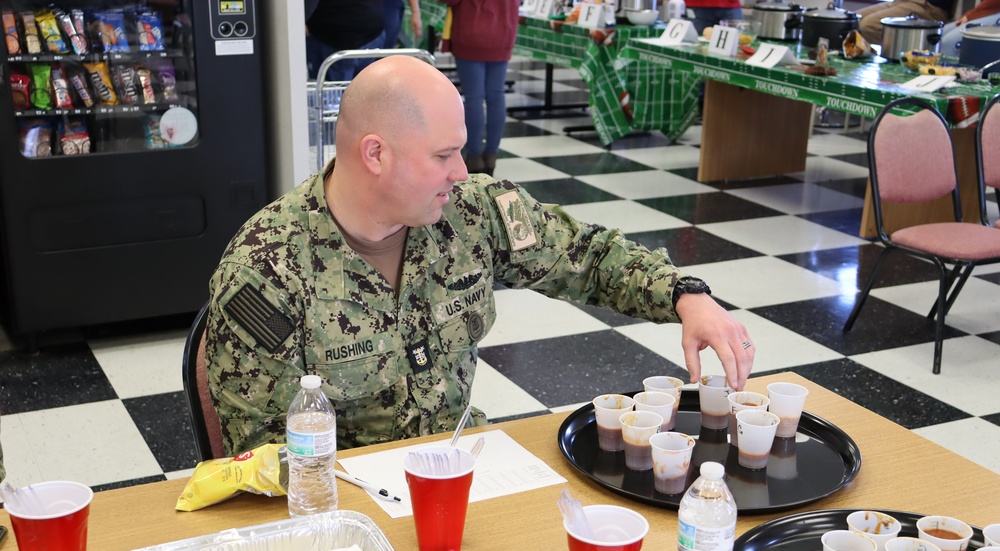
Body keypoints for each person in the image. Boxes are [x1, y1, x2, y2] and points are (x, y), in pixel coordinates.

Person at [204, 56, 755, 456]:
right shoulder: (267, 270)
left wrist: (686, 296)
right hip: (349, 514)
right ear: (375, 154)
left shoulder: (474, 211)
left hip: (464, 466)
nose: (462, 173)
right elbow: (261, 459)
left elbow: (585, 255)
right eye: (443, 154)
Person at [440, 0, 519, 176]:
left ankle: (474, 156)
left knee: (474, 98)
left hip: (471, 29)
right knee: (496, 96)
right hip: (504, 29)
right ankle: (491, 154)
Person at [305, 0, 385, 82]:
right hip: (371, 25)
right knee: (366, 86)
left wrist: (300, 21)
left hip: (336, 36)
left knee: (334, 90)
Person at [857, 0, 956, 45]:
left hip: (928, 6)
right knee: (849, 20)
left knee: (867, 26)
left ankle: (901, 54)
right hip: (900, 2)